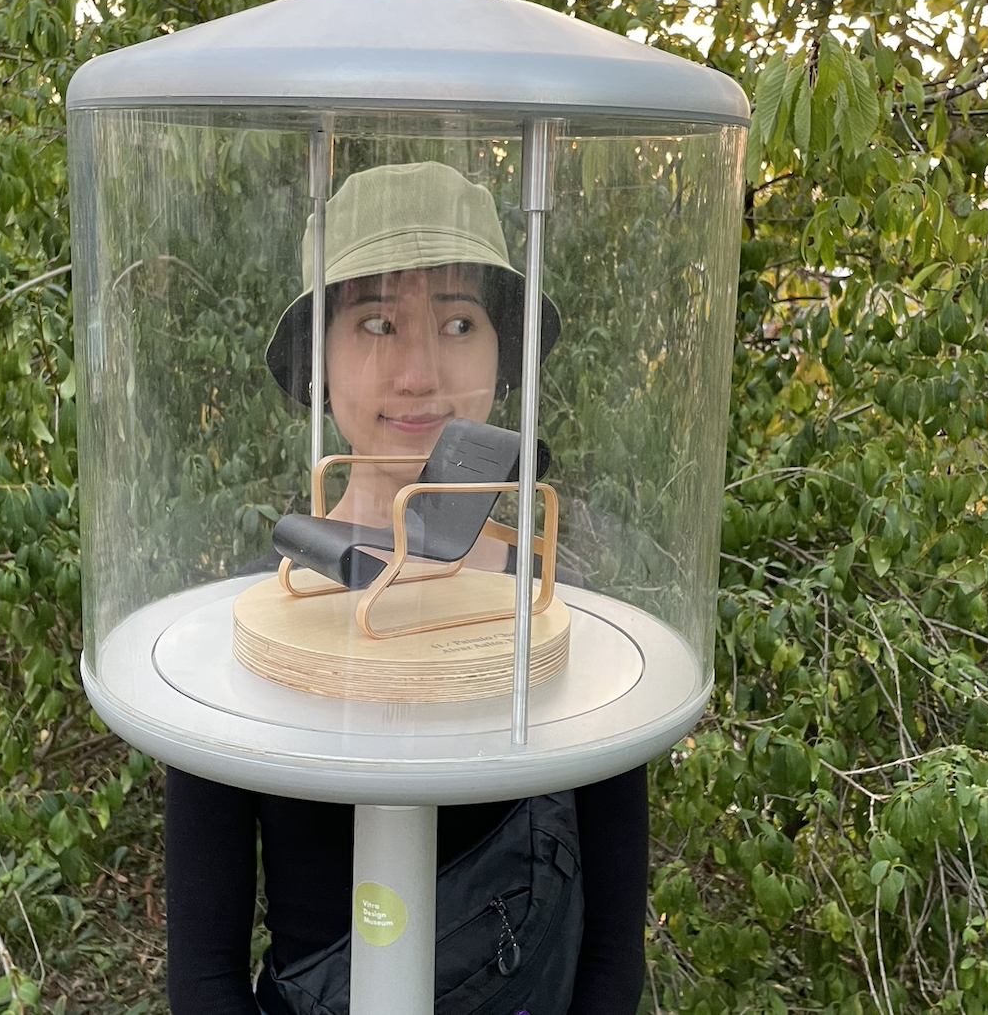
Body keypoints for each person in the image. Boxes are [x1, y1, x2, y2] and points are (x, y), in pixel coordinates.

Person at [165, 162, 649, 1015]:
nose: (420, 372)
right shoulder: (261, 622)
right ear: (318, 361)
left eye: (459, 322)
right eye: (377, 322)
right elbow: (204, 977)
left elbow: (611, 956)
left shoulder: (553, 607)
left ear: (502, 352)